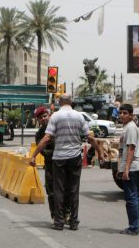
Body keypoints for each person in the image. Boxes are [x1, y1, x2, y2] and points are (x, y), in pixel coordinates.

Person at [30, 94, 104, 231]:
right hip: (75, 157)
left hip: (59, 158)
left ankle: (59, 222)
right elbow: (90, 137)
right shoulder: (79, 116)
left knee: (58, 190)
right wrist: (99, 152)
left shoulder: (56, 117)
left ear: (59, 102)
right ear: (71, 102)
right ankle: (73, 222)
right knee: (73, 190)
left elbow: (46, 138)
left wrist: (33, 155)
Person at [117, 103, 139, 235]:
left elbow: (131, 149)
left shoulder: (131, 128)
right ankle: (137, 226)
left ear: (131, 115)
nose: (122, 115)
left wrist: (126, 169)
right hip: (131, 166)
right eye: (120, 113)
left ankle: (134, 227)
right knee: (135, 197)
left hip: (133, 167)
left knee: (132, 198)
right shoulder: (127, 127)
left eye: (125, 113)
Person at [33, 106, 56, 219]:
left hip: (62, 162)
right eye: (41, 118)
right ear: (38, 120)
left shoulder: (57, 127)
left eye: (45, 116)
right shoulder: (40, 134)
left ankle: (66, 213)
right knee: (50, 190)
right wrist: (52, 153)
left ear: (49, 115)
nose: (44, 119)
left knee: (65, 189)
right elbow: (42, 150)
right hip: (50, 164)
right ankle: (54, 215)